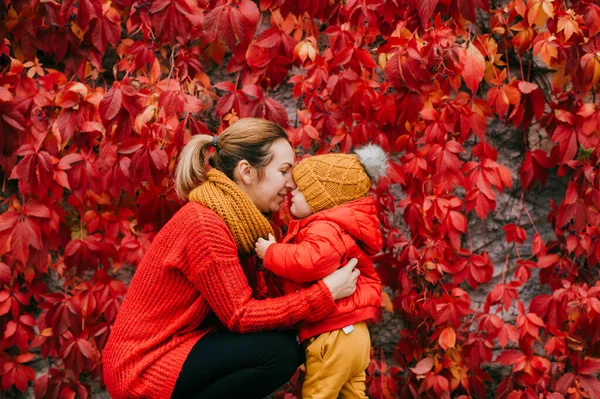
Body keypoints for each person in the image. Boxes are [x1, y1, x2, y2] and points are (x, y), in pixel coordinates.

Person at [102, 118, 360, 399]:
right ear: (247, 172)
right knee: (278, 353)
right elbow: (241, 315)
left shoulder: (246, 224)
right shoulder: (205, 224)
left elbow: (264, 304)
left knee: (284, 345)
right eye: (284, 171)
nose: (291, 183)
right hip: (144, 365)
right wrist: (326, 293)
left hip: (183, 346)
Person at [255, 145, 387, 399]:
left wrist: (271, 252)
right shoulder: (333, 228)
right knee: (354, 394)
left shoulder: (323, 228)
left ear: (322, 200)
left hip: (333, 335)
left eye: (302, 190)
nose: (292, 192)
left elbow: (310, 262)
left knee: (318, 394)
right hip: (354, 334)